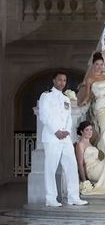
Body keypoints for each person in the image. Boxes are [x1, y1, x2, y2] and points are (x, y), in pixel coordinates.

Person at [38, 71, 88, 207]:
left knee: (71, 166)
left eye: (64, 80)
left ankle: (73, 197)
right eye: (59, 80)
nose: (62, 83)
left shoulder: (66, 99)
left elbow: (68, 118)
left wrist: (66, 131)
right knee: (51, 168)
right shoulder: (46, 96)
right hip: (52, 137)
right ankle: (50, 198)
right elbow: (44, 116)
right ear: (54, 80)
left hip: (65, 138)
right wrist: (56, 131)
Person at [79, 52, 105, 155]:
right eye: (97, 64)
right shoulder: (89, 79)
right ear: (93, 65)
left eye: (101, 64)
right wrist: (83, 102)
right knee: (104, 129)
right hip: (100, 106)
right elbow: (88, 95)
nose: (99, 67)